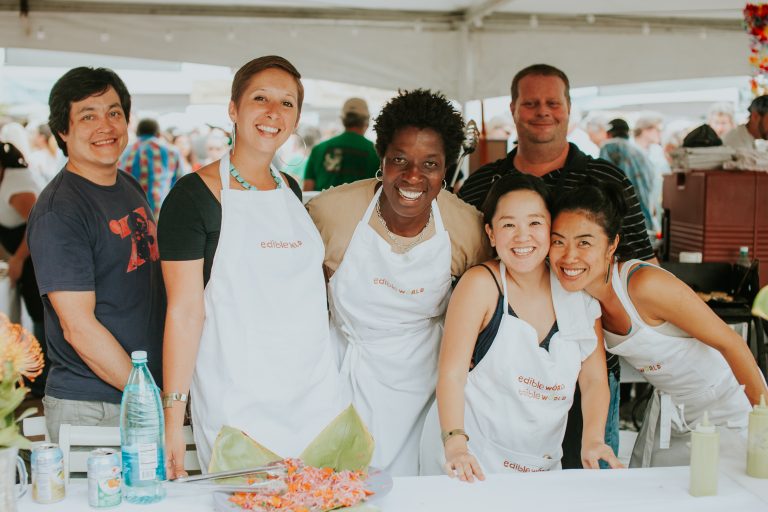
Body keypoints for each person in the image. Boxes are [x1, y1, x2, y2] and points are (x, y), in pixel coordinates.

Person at [456, 63, 656, 468]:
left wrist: (616, 325)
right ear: (513, 109)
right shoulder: (481, 183)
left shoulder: (607, 178)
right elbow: (462, 267)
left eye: (552, 102)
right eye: (531, 103)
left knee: (589, 478)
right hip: (498, 377)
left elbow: (642, 267)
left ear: (569, 108)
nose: (542, 111)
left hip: (590, 366)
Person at [159, 55, 343, 476]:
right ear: (233, 108)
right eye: (260, 98)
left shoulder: (289, 188)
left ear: (296, 119)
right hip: (239, 407)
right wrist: (172, 419)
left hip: (313, 397)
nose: (273, 112)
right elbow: (184, 313)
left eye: (287, 103)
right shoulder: (191, 198)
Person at [306, 89, 491, 476]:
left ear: (447, 169)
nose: (412, 176)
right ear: (381, 157)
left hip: (426, 386)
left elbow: (491, 298)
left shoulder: (466, 228)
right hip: (342, 379)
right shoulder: (330, 213)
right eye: (399, 160)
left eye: (430, 164)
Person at [548, 180, 768, 467]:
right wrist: (593, 440)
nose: (569, 256)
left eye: (584, 242)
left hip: (727, 406)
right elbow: (595, 378)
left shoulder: (643, 285)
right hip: (671, 410)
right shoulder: (584, 299)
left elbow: (732, 343)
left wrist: (763, 420)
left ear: (612, 245)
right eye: (558, 241)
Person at [420, 174, 620, 480]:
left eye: (535, 223)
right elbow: (451, 374)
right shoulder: (481, 286)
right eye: (508, 225)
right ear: (491, 233)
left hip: (540, 466)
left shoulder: (576, 291)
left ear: (550, 228)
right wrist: (456, 444)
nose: (522, 237)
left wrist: (593, 440)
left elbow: (593, 379)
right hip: (469, 463)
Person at [27, 67, 164, 442]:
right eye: (88, 116)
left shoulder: (127, 184)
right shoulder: (60, 211)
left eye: (114, 112)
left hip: (138, 394)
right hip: (96, 406)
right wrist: (148, 396)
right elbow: (79, 328)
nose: (106, 126)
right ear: (63, 130)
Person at [0, 142, 47, 396]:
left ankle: (41, 378)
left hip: (38, 258)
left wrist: (17, 259)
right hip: (23, 257)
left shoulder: (17, 187)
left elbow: (37, 225)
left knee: (40, 313)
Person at [303, 98, 379, 191]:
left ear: (343, 120)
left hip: (323, 200)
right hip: (361, 201)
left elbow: (307, 190)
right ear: (366, 121)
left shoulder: (319, 150)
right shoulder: (376, 153)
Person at [599, 119, 656, 232]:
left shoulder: (609, 147)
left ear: (609, 134)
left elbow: (603, 179)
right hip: (642, 216)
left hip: (621, 217)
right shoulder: (640, 152)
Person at [119, 118, 182, 217]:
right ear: (158, 134)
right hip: (161, 211)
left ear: (137, 133)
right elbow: (180, 184)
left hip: (131, 212)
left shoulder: (124, 152)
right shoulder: (172, 152)